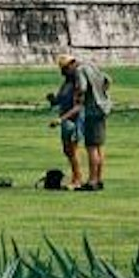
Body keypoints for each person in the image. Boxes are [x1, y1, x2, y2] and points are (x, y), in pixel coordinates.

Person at [55, 52, 111, 191]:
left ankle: (92, 181)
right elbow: (107, 80)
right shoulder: (91, 66)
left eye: (65, 70)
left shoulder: (79, 70)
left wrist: (79, 98)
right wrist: (101, 95)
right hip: (103, 108)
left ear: (69, 66)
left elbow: (82, 88)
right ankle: (98, 179)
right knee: (99, 147)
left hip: (92, 110)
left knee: (91, 147)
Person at [48, 58, 84, 190]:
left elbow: (78, 107)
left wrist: (60, 120)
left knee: (73, 151)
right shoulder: (66, 83)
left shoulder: (77, 84)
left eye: (65, 69)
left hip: (74, 121)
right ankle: (75, 176)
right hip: (65, 120)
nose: (63, 72)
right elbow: (60, 100)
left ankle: (78, 179)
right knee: (67, 151)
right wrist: (53, 100)